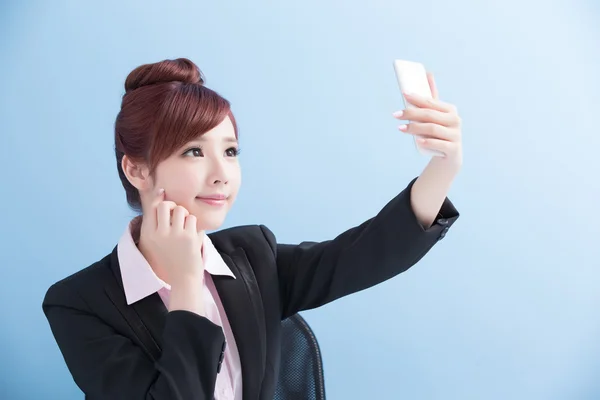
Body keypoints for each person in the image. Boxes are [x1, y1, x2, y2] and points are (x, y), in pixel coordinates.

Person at [42, 57, 462, 400]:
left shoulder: (251, 256)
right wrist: (188, 286)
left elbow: (365, 254)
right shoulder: (78, 304)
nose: (222, 173)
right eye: (193, 151)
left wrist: (444, 165)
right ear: (136, 169)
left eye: (230, 151)